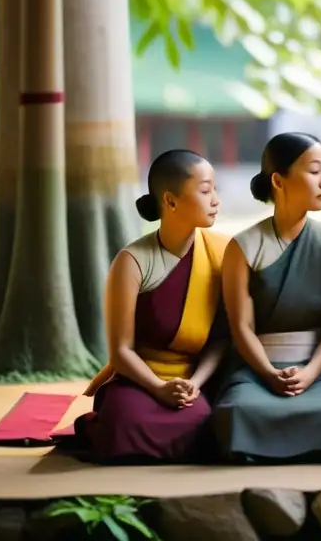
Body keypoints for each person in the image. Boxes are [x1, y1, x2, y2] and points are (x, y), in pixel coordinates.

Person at [73, 150, 228, 462]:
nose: (216, 200)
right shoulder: (131, 262)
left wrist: (195, 383)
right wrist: (157, 387)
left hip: (194, 378)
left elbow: (222, 338)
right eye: (205, 190)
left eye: (215, 189)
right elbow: (121, 351)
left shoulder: (223, 252)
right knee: (124, 424)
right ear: (170, 201)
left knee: (205, 425)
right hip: (139, 378)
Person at [212, 133, 321, 463]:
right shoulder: (244, 246)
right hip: (254, 365)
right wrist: (266, 372)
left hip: (318, 366)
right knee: (239, 409)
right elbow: (241, 326)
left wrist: (310, 373)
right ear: (278, 180)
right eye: (314, 171)